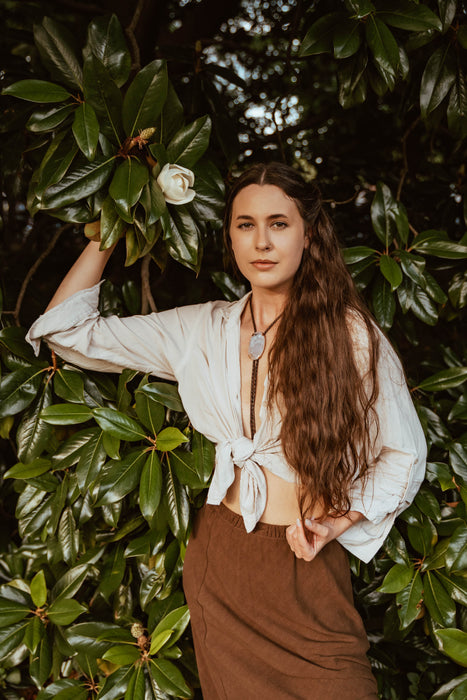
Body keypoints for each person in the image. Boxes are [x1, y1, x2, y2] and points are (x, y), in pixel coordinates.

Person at [27, 162, 426, 699]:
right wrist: (114, 226)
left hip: (306, 571)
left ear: (309, 234)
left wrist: (337, 523)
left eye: (279, 224)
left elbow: (403, 453)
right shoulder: (199, 328)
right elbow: (67, 332)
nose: (261, 241)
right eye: (245, 224)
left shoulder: (350, 334)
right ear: (230, 237)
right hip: (220, 560)